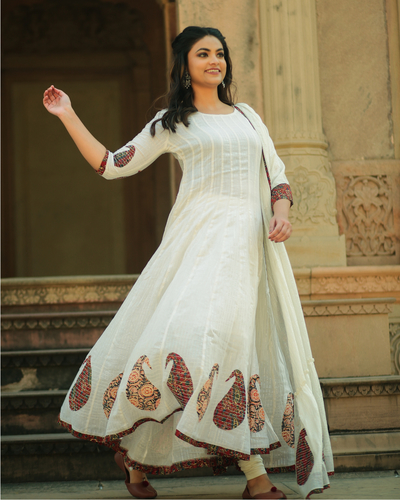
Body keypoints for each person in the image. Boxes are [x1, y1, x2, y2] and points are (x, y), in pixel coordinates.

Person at [43, 26, 333, 500]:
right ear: (185, 65)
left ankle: (138, 462)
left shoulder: (248, 118)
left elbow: (276, 178)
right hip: (195, 252)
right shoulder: (171, 123)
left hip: (245, 254)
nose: (214, 60)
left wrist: (281, 214)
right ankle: (253, 476)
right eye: (203, 54)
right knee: (194, 348)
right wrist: (68, 114)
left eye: (220, 53)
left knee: (226, 351)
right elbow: (113, 163)